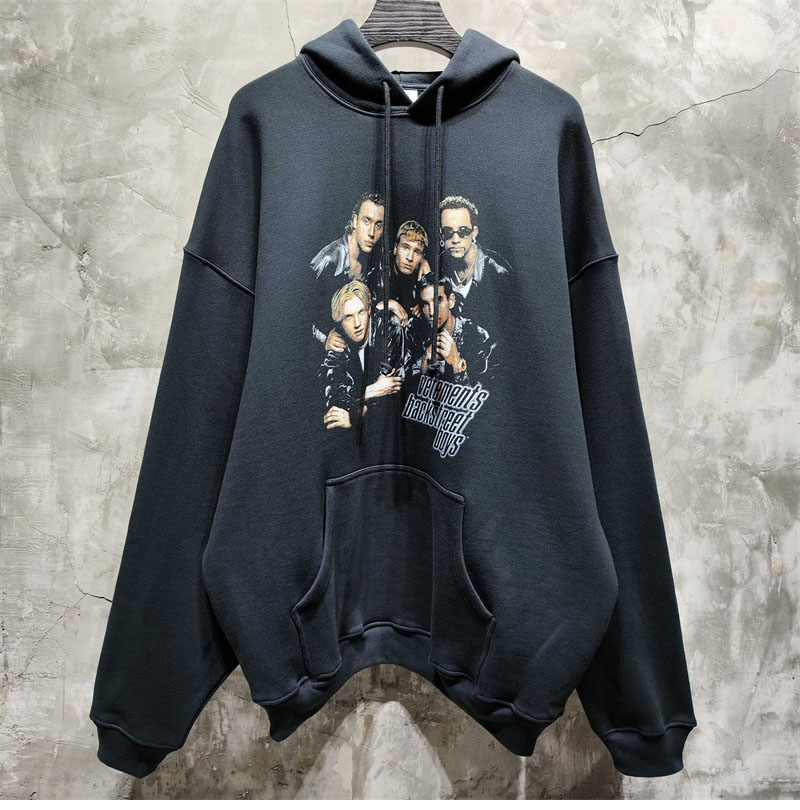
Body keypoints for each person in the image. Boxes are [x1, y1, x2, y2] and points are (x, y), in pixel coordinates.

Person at [320, 279, 405, 430]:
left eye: (361, 312)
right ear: (339, 322)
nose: (357, 323)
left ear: (369, 310)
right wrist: (369, 391)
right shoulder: (337, 342)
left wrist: (354, 414)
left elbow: (391, 390)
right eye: (348, 317)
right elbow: (334, 398)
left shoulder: (388, 327)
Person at [309, 191, 386, 352]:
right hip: (325, 353)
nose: (372, 233)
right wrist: (324, 338)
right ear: (354, 221)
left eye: (378, 225)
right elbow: (298, 313)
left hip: (357, 348)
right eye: (366, 221)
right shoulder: (328, 261)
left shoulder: (375, 260)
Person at [403, 271, 497, 387]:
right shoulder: (413, 330)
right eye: (425, 304)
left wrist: (457, 365)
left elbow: (485, 391)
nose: (432, 312)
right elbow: (402, 386)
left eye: (438, 301)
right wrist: (424, 363)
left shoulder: (477, 335)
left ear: (451, 301)